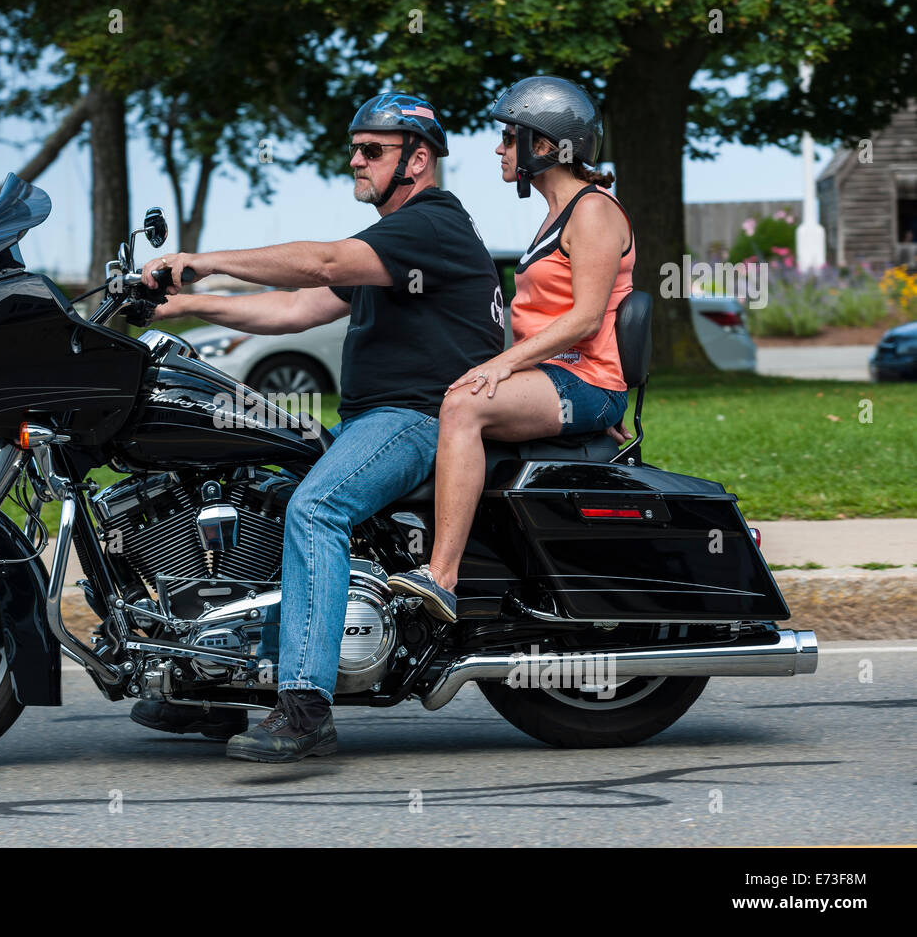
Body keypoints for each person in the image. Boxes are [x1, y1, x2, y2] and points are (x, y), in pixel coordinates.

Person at [132, 93, 505, 762]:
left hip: (416, 422)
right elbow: (296, 307)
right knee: (256, 487)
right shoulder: (395, 245)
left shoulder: (431, 225)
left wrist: (206, 258)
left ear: (417, 159)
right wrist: (183, 305)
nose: (356, 161)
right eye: (355, 149)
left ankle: (307, 706)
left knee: (317, 508)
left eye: (373, 151)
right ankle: (220, 682)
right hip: (371, 420)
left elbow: (326, 264)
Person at [387, 75, 634, 622]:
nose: (500, 150)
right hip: (568, 381)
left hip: (584, 379)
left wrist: (500, 367)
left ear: (543, 145)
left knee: (465, 402)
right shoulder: (557, 213)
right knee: (448, 396)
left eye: (508, 138)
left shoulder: (592, 211)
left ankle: (442, 576)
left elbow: (586, 317)